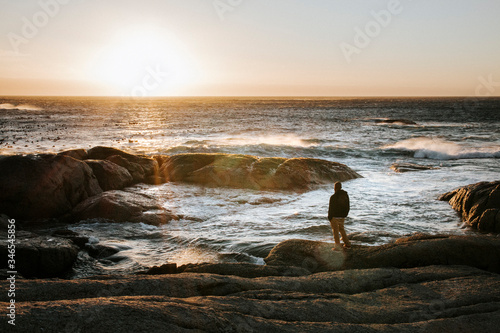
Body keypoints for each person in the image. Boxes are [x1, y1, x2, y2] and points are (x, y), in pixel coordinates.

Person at [328, 182, 351, 250]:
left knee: (335, 231)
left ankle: (337, 247)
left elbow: (330, 208)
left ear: (335, 188)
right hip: (342, 216)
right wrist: (345, 214)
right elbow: (348, 206)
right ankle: (347, 244)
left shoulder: (333, 197)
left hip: (335, 217)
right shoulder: (345, 195)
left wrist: (330, 217)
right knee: (342, 230)